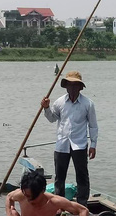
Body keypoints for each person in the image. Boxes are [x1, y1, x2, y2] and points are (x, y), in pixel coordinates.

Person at [41, 70, 98, 208]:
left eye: (75, 85)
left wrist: (93, 145)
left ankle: (82, 204)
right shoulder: (60, 102)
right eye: (70, 85)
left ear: (80, 87)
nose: (72, 88)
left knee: (82, 176)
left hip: (80, 145)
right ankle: (59, 206)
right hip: (62, 144)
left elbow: (93, 126)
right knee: (59, 177)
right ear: (66, 86)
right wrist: (46, 108)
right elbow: (52, 118)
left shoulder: (87, 104)